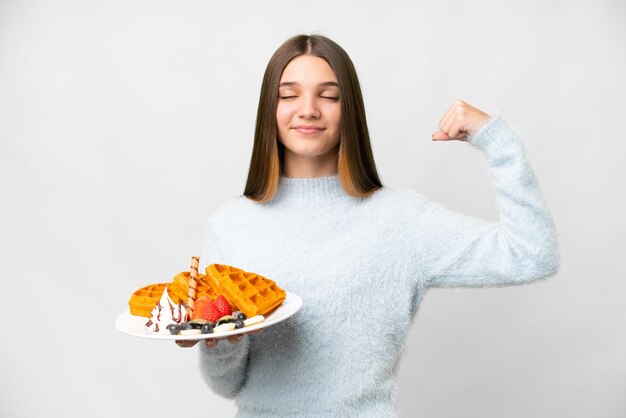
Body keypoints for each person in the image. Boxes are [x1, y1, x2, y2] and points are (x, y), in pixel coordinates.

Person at [176, 34, 560, 417]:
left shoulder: (401, 220)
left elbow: (532, 255)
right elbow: (224, 385)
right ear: (269, 109)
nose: (308, 109)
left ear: (350, 111)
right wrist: (220, 342)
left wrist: (499, 141)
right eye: (288, 95)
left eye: (328, 96)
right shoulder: (232, 224)